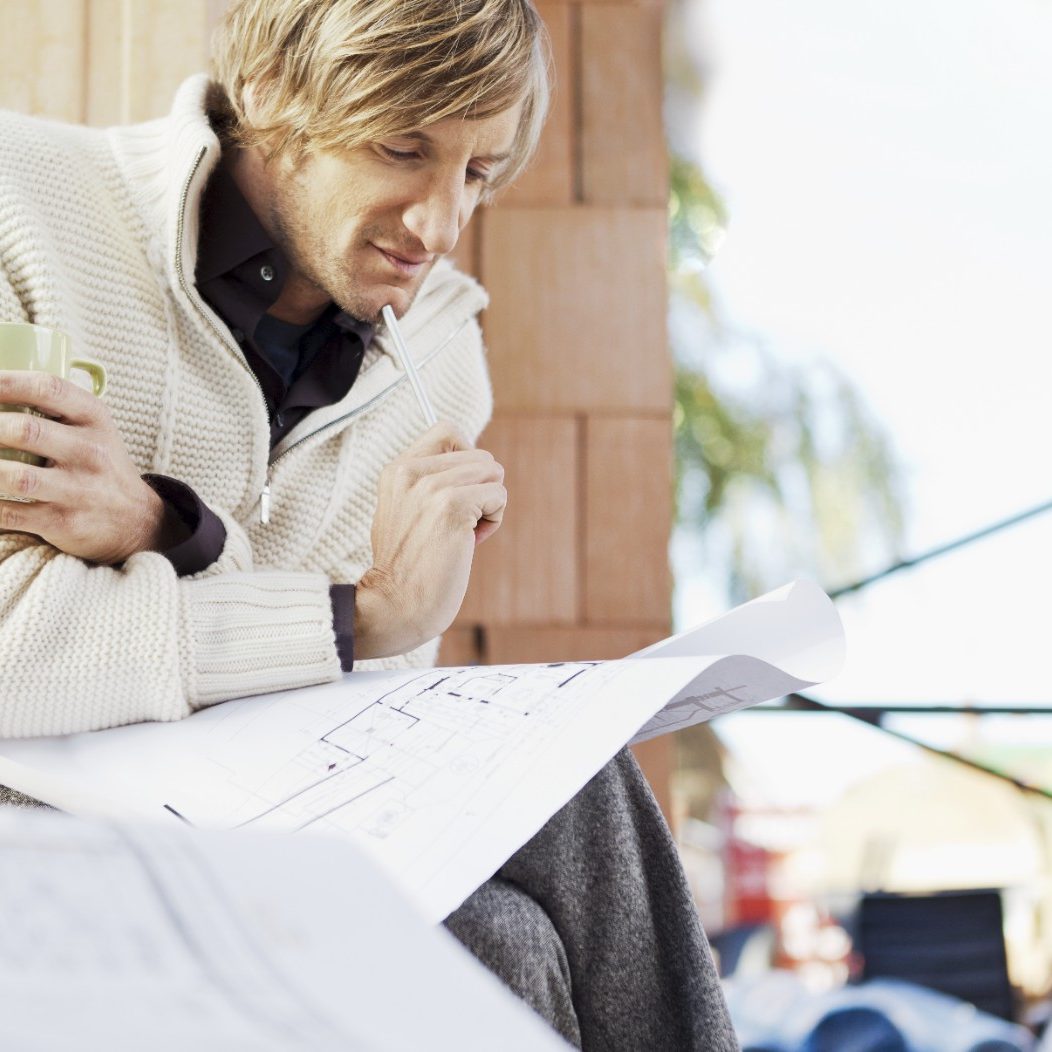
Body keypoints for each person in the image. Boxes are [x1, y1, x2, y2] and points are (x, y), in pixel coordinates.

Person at [0, 1, 738, 1046]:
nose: (438, 226)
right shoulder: (21, 207)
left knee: (510, 929)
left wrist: (171, 531)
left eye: (477, 174)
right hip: (39, 828)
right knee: (551, 852)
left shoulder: (438, 361)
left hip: (269, 833)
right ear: (268, 93)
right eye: (402, 147)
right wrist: (359, 611)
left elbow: (358, 701)